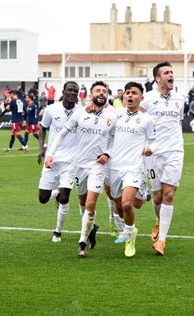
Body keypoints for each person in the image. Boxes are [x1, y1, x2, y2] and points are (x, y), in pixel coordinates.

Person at [45, 81, 117, 257]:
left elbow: (116, 140)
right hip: (78, 165)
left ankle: (82, 242)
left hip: (97, 165)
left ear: (107, 95)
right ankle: (91, 229)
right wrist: (50, 154)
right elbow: (62, 134)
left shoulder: (113, 116)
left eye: (104, 91)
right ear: (91, 94)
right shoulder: (79, 113)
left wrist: (107, 153)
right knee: (83, 203)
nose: (101, 93)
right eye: (97, 91)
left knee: (91, 203)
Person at [141, 61, 185, 256]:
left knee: (169, 195)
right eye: (166, 72)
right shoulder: (147, 99)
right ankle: (158, 221)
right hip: (153, 153)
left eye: (172, 72)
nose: (171, 75)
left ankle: (162, 240)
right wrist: (145, 146)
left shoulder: (179, 98)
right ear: (158, 78)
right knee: (157, 197)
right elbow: (138, 122)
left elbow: (178, 122)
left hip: (175, 151)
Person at [108, 81, 155, 257]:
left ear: (141, 98)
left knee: (127, 203)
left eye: (134, 93)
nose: (130, 95)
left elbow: (153, 140)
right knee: (122, 204)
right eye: (127, 92)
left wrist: (151, 149)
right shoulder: (115, 114)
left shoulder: (147, 119)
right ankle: (142, 197)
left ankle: (129, 238)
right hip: (114, 167)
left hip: (134, 167)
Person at [38, 81, 80, 243]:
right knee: (42, 198)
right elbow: (42, 128)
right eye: (69, 90)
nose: (72, 93)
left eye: (75, 91)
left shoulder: (81, 111)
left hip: (71, 161)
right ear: (63, 91)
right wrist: (41, 148)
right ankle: (54, 193)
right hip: (52, 159)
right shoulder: (51, 109)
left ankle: (57, 232)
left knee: (64, 198)